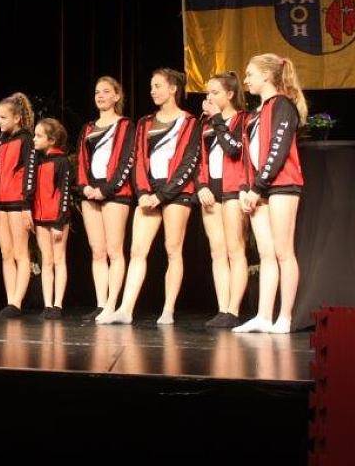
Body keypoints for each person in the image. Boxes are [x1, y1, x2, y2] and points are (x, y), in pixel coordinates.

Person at [100, 68, 200, 326]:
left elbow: (189, 162)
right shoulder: (145, 122)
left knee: (173, 249)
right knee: (137, 250)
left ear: (173, 89)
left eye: (158, 86)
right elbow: (138, 162)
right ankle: (125, 309)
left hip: (176, 192)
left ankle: (168, 310)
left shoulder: (189, 122)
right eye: (152, 86)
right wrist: (144, 192)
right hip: (148, 192)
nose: (152, 91)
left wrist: (163, 194)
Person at [233, 53, 306, 334]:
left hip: (281, 184)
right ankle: (264, 316)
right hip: (258, 188)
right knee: (265, 254)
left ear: (266, 75)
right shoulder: (256, 112)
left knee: (283, 252)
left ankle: (284, 317)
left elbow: (278, 148)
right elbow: (248, 155)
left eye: (250, 74)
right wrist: (245, 188)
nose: (246, 80)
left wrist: (258, 187)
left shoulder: (283, 105)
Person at [74, 77, 135, 322]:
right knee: (98, 251)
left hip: (115, 193)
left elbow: (127, 161)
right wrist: (85, 187)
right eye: (97, 92)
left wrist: (107, 190)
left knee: (114, 250)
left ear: (117, 96)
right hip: (91, 192)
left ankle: (112, 304)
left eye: (106, 92)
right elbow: (81, 160)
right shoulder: (88, 128)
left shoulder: (125, 125)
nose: (100, 96)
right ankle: (101, 304)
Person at [196, 72, 250, 329]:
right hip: (211, 190)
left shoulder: (242, 119)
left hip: (233, 189)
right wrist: (201, 186)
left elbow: (233, 149)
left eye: (215, 92)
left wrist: (217, 118)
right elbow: (198, 158)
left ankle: (233, 309)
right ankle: (222, 308)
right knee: (217, 251)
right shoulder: (205, 124)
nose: (210, 97)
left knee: (234, 249)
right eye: (208, 93)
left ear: (229, 94)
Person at [0, 92, 36, 320]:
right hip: (1, 203)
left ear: (17, 118)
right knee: (6, 253)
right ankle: (10, 301)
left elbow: (29, 174)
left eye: (4, 118)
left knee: (20, 253)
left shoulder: (27, 139)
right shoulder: (0, 140)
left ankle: (17, 302)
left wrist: (26, 205)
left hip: (17, 202)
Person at [31, 118, 71, 320]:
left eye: (39, 136)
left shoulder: (62, 161)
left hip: (57, 220)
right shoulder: (38, 161)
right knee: (46, 261)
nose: (34, 139)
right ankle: (47, 304)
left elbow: (65, 194)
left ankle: (58, 304)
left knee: (58, 260)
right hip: (40, 219)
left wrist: (59, 222)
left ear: (52, 140)